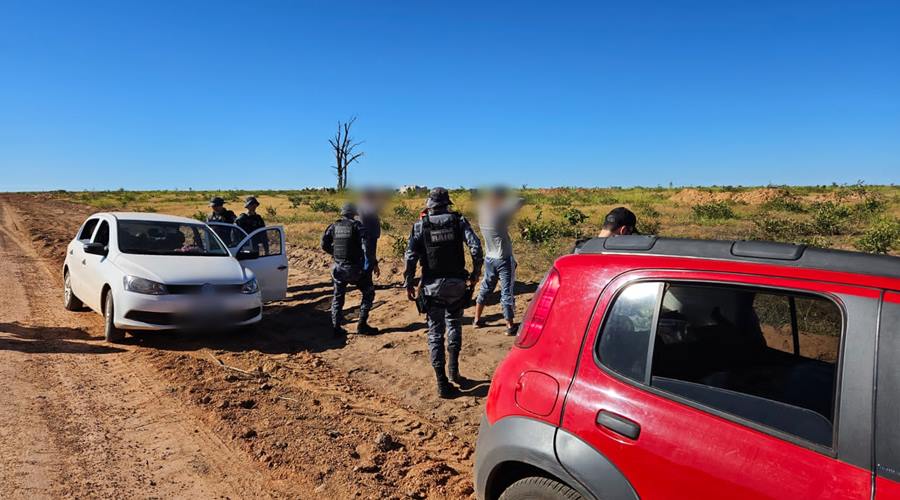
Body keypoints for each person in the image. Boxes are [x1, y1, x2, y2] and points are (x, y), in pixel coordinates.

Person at [403, 187, 483, 398]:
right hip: (457, 284)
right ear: (447, 203)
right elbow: (476, 248)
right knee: (454, 324)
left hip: (431, 287)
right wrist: (475, 273)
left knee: (435, 333)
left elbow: (410, 256)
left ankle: (441, 382)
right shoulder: (459, 221)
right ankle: (454, 371)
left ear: (429, 205)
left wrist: (409, 282)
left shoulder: (420, 225)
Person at [473, 187, 525, 336]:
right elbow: (520, 201)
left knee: (486, 287)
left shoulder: (483, 211)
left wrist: (490, 201)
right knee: (506, 291)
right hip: (503, 259)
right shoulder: (500, 213)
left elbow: (481, 203)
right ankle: (510, 326)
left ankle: (476, 320)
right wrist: (502, 202)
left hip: (489, 258)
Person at [321, 203, 378, 337]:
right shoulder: (358, 226)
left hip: (339, 268)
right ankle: (362, 325)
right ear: (354, 213)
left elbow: (323, 244)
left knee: (338, 297)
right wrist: (369, 265)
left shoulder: (333, 226)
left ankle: (336, 327)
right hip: (355, 269)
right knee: (369, 293)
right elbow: (367, 247)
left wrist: (335, 254)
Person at [357, 189, 382, 280]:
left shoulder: (360, 206)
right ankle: (366, 281)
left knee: (366, 257)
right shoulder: (366, 206)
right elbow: (377, 208)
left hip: (366, 236)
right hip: (368, 237)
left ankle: (364, 279)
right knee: (368, 258)